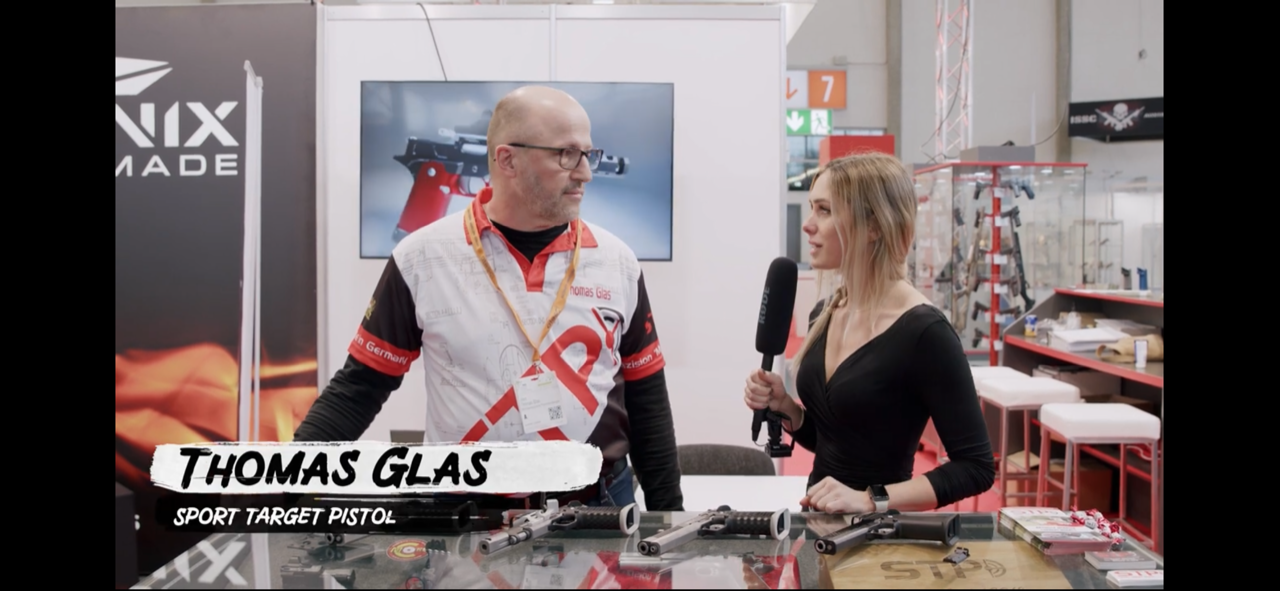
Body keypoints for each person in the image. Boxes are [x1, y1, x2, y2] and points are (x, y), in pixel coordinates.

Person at [293, 86, 684, 511]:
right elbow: (361, 387)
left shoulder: (617, 261)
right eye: (567, 154)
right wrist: (279, 484)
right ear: (507, 160)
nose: (586, 173)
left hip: (597, 509)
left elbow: (646, 398)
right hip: (465, 512)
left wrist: (669, 519)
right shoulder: (421, 257)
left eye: (589, 154)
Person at [742, 152, 994, 513]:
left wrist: (869, 499)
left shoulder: (926, 334)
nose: (808, 225)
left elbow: (975, 468)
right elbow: (837, 442)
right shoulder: (824, 314)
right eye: (812, 209)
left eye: (824, 210)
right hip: (819, 523)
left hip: (879, 537)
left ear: (873, 226)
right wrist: (788, 410)